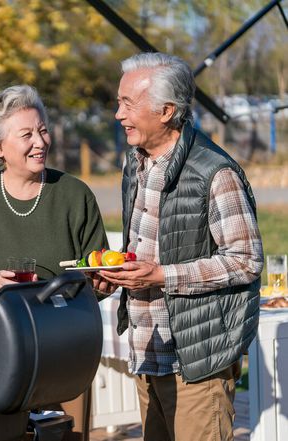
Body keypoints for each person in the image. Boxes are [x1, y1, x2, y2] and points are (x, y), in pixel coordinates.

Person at [96, 52, 263, 441]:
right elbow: (150, 243)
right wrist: (115, 275)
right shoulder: (135, 163)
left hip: (198, 361)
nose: (118, 114)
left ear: (167, 111)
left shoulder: (215, 172)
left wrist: (160, 275)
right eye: (119, 102)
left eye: (128, 103)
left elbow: (246, 260)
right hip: (147, 351)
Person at [0, 84, 108, 441]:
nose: (41, 141)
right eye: (27, 134)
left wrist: (101, 284)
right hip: (3, 351)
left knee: (67, 436)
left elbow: (96, 271)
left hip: (66, 348)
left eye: (43, 130)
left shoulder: (74, 194)